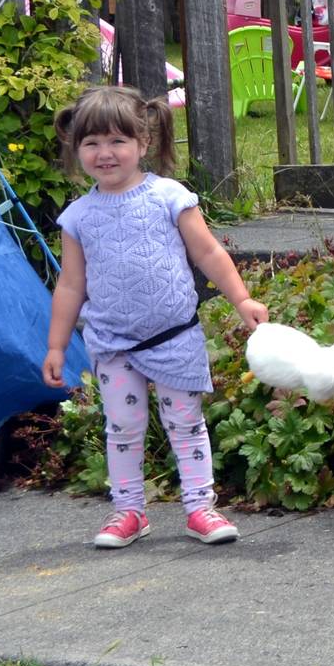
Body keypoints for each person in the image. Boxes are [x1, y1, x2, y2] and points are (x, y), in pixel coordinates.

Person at [41, 86, 269, 549]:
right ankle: (128, 512)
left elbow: (207, 252)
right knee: (123, 428)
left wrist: (242, 300)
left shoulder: (170, 196)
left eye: (117, 141)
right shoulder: (77, 218)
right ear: (75, 149)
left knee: (186, 424)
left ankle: (200, 507)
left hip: (174, 337)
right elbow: (70, 285)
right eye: (91, 143)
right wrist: (56, 345)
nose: (105, 153)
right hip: (113, 345)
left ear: (143, 143)